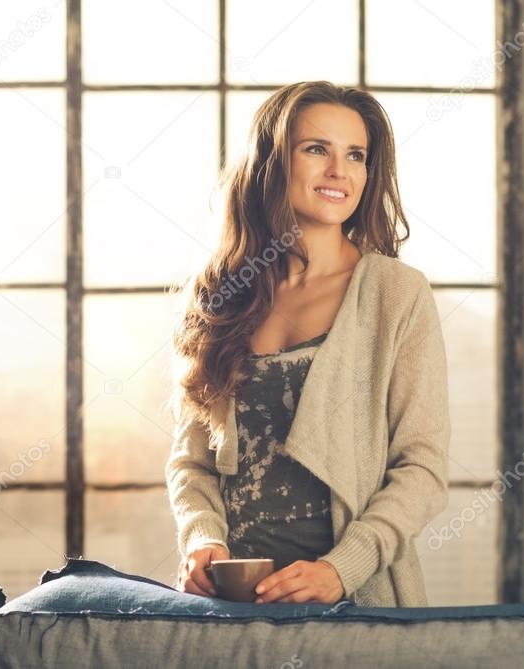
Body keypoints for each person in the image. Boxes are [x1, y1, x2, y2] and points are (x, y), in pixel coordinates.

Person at [164, 80, 451, 607]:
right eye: (317, 149)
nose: (340, 172)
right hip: (231, 606)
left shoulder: (396, 294)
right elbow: (193, 462)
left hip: (353, 604)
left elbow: (423, 468)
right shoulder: (222, 293)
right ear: (274, 161)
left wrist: (341, 571)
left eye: (356, 155)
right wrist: (202, 536)